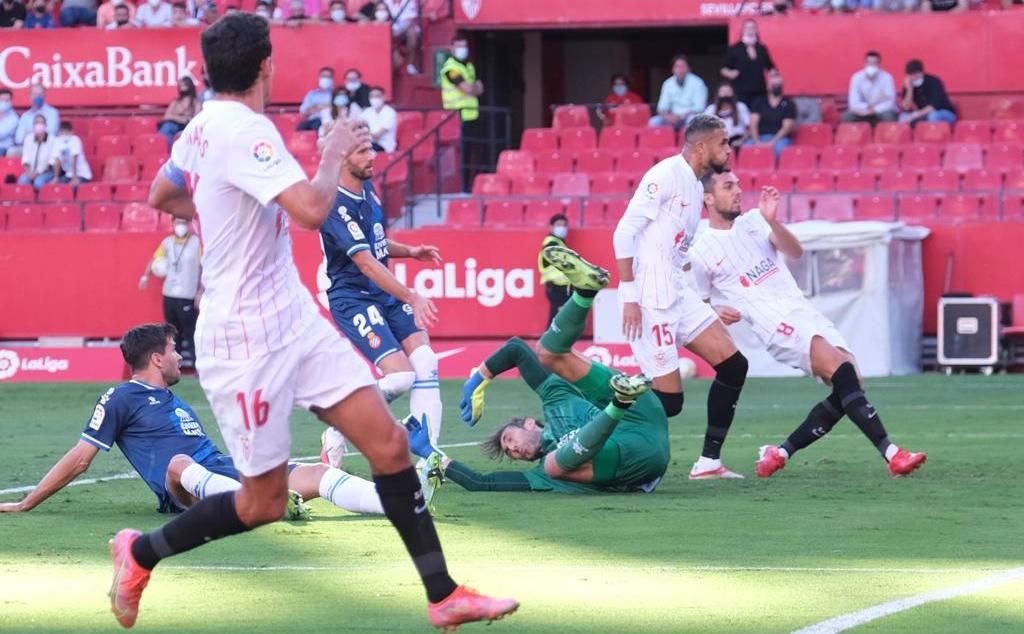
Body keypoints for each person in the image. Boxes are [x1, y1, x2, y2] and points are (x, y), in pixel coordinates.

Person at [134, 14, 516, 630]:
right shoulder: (246, 131)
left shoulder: (200, 129)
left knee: (390, 444)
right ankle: (140, 552)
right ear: (266, 65)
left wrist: (222, 206)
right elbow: (312, 209)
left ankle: (443, 595)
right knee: (262, 502)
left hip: (293, 316)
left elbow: (162, 193)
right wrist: (333, 148)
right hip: (242, 337)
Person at [0, 323, 387, 518]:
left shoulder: (176, 400)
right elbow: (81, 457)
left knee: (315, 475)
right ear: (154, 358)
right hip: (182, 490)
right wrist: (27, 503)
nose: (179, 357)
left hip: (223, 475)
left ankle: (400, 502)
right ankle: (257, 503)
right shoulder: (120, 397)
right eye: (172, 350)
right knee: (179, 464)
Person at [689, 173, 929, 478]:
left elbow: (794, 251)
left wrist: (773, 221)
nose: (738, 191)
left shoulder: (754, 220)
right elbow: (697, 300)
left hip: (802, 310)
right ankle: (892, 454)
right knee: (842, 373)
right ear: (708, 199)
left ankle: (780, 452)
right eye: (728, 187)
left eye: (737, 184)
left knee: (851, 382)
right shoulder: (701, 251)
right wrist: (717, 309)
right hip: (774, 322)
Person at [415, 248, 668, 493]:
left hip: (642, 413)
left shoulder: (555, 399)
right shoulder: (540, 474)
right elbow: (482, 483)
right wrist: (430, 453)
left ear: (528, 423)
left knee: (548, 353)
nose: (514, 450)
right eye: (510, 453)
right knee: (553, 466)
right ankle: (619, 401)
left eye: (510, 439)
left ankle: (584, 291)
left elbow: (516, 349)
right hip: (641, 459)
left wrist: (481, 376)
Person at [612, 114, 748, 480]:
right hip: (650, 298)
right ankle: (590, 419)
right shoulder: (665, 175)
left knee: (735, 366)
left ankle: (709, 463)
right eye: (723, 143)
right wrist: (628, 296)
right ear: (702, 146)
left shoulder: (693, 184)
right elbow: (623, 233)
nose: (729, 150)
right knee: (669, 404)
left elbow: (678, 254)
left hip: (677, 291)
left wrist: (706, 305)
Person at [318, 124, 444, 464]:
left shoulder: (367, 188)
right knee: (401, 377)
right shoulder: (333, 204)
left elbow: (376, 243)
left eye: (371, 148)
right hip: (353, 297)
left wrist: (410, 251)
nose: (372, 156)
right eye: (362, 151)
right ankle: (340, 423)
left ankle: (427, 458)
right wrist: (412, 297)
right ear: (342, 158)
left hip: (381, 293)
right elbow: (367, 263)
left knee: (426, 362)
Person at [139, 218, 202, 369]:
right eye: (178, 222)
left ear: (188, 224)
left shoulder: (196, 243)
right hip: (169, 295)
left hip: (188, 294)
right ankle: (174, 369)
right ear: (172, 224)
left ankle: (198, 367)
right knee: (173, 334)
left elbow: (204, 267)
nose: (181, 226)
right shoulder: (167, 242)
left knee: (192, 333)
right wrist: (145, 276)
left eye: (183, 222)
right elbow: (155, 259)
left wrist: (201, 291)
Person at [440, 34, 484, 191]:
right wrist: (473, 88)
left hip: (472, 114)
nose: (462, 49)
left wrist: (473, 89)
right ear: (452, 48)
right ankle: (464, 188)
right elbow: (467, 88)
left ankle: (473, 185)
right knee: (463, 154)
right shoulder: (450, 69)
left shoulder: (469, 66)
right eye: (459, 46)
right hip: (457, 117)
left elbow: (480, 88)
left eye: (464, 46)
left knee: (475, 151)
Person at [721, 20, 777, 106]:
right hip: (741, 92)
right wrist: (730, 73)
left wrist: (774, 77)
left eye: (753, 27)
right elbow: (723, 69)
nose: (750, 30)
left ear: (756, 30)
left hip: (760, 91)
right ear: (743, 31)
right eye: (747, 27)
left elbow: (770, 67)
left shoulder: (762, 48)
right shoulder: (734, 49)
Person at [649, 55, 708, 131]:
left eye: (683, 66)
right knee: (653, 122)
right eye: (677, 67)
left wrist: (681, 116)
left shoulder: (698, 83)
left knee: (692, 120)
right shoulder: (668, 83)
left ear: (688, 69)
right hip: (671, 117)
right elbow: (661, 108)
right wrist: (668, 117)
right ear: (673, 69)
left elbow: (699, 107)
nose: (680, 70)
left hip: (689, 116)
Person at [842, 51, 898, 125]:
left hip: (880, 111)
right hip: (863, 112)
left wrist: (874, 110)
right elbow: (853, 102)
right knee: (847, 117)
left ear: (879, 65)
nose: (871, 65)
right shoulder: (856, 78)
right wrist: (867, 108)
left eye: (875, 63)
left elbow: (890, 102)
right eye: (869, 63)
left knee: (889, 116)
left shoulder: (887, 78)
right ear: (864, 64)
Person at [748, 73, 796, 158]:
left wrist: (772, 143)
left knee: (779, 150)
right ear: (768, 86)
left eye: (779, 85)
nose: (777, 86)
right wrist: (757, 141)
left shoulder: (789, 104)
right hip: (759, 137)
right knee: (747, 149)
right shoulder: (759, 102)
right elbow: (753, 123)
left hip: (780, 139)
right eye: (774, 84)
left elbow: (787, 127)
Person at [538, 213, 572, 326]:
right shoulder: (552, 243)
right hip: (557, 285)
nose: (562, 228)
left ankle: (548, 341)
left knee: (556, 317)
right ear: (551, 227)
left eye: (564, 225)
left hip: (558, 285)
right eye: (559, 225)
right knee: (559, 318)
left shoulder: (559, 242)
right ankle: (549, 341)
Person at [900, 59, 956, 126]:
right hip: (924, 114)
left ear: (921, 72)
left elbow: (933, 107)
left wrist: (916, 114)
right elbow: (906, 107)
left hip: (944, 113)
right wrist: (910, 89)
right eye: (910, 75)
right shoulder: (908, 84)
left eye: (915, 74)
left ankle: (933, 136)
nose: (913, 78)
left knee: (933, 116)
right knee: (902, 117)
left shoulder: (934, 82)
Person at [157, 77, 199, 149]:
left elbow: (195, 119)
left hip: (186, 127)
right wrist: (181, 118)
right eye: (180, 85)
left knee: (168, 127)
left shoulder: (196, 102)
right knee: (168, 127)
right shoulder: (175, 101)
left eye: (184, 85)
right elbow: (167, 116)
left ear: (190, 86)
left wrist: (175, 117)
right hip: (172, 125)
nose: (182, 87)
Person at [704, 83, 750, 150]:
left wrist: (742, 140)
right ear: (718, 94)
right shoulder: (711, 109)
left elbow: (749, 128)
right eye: (723, 91)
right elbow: (704, 129)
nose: (726, 94)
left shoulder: (741, 106)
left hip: (738, 142)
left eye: (729, 91)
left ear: (733, 93)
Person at [381, 0, 420, 74]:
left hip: (406, 26)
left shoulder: (409, 2)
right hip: (389, 26)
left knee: (412, 33)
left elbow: (411, 20)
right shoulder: (386, 1)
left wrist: (399, 31)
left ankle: (410, 65)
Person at [17, 114, 55, 189]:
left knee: (38, 182)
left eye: (41, 123)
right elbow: (26, 157)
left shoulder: (52, 139)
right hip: (31, 171)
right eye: (37, 123)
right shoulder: (28, 138)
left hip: (47, 172)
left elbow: (51, 161)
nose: (39, 125)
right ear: (33, 125)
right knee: (23, 181)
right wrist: (29, 172)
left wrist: (38, 173)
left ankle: (41, 199)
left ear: (45, 125)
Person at [51, 121, 93, 187]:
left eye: (67, 132)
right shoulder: (57, 141)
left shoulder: (75, 140)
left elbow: (74, 159)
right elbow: (57, 160)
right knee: (57, 187)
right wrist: (56, 177)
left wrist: (74, 177)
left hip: (81, 174)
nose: (64, 134)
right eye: (62, 131)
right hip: (68, 174)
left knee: (71, 187)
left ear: (72, 132)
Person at [358, 86, 397, 153]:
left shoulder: (390, 113)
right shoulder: (368, 111)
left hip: (384, 146)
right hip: (368, 143)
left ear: (384, 97)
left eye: (377, 96)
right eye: (372, 96)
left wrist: (365, 128)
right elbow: (357, 124)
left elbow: (377, 136)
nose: (374, 99)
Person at [297, 67, 335, 131]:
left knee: (319, 125)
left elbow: (337, 109)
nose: (326, 79)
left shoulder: (335, 94)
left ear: (332, 79)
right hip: (312, 121)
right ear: (319, 78)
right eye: (323, 76)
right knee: (300, 127)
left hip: (329, 122)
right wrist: (323, 106)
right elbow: (303, 112)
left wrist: (316, 107)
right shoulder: (312, 94)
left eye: (328, 77)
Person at [0, 89, 18, 158]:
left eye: (7, 100)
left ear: (11, 102)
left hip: (4, 148)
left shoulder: (14, 118)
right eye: (2, 100)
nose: (4, 103)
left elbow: (1, 134)